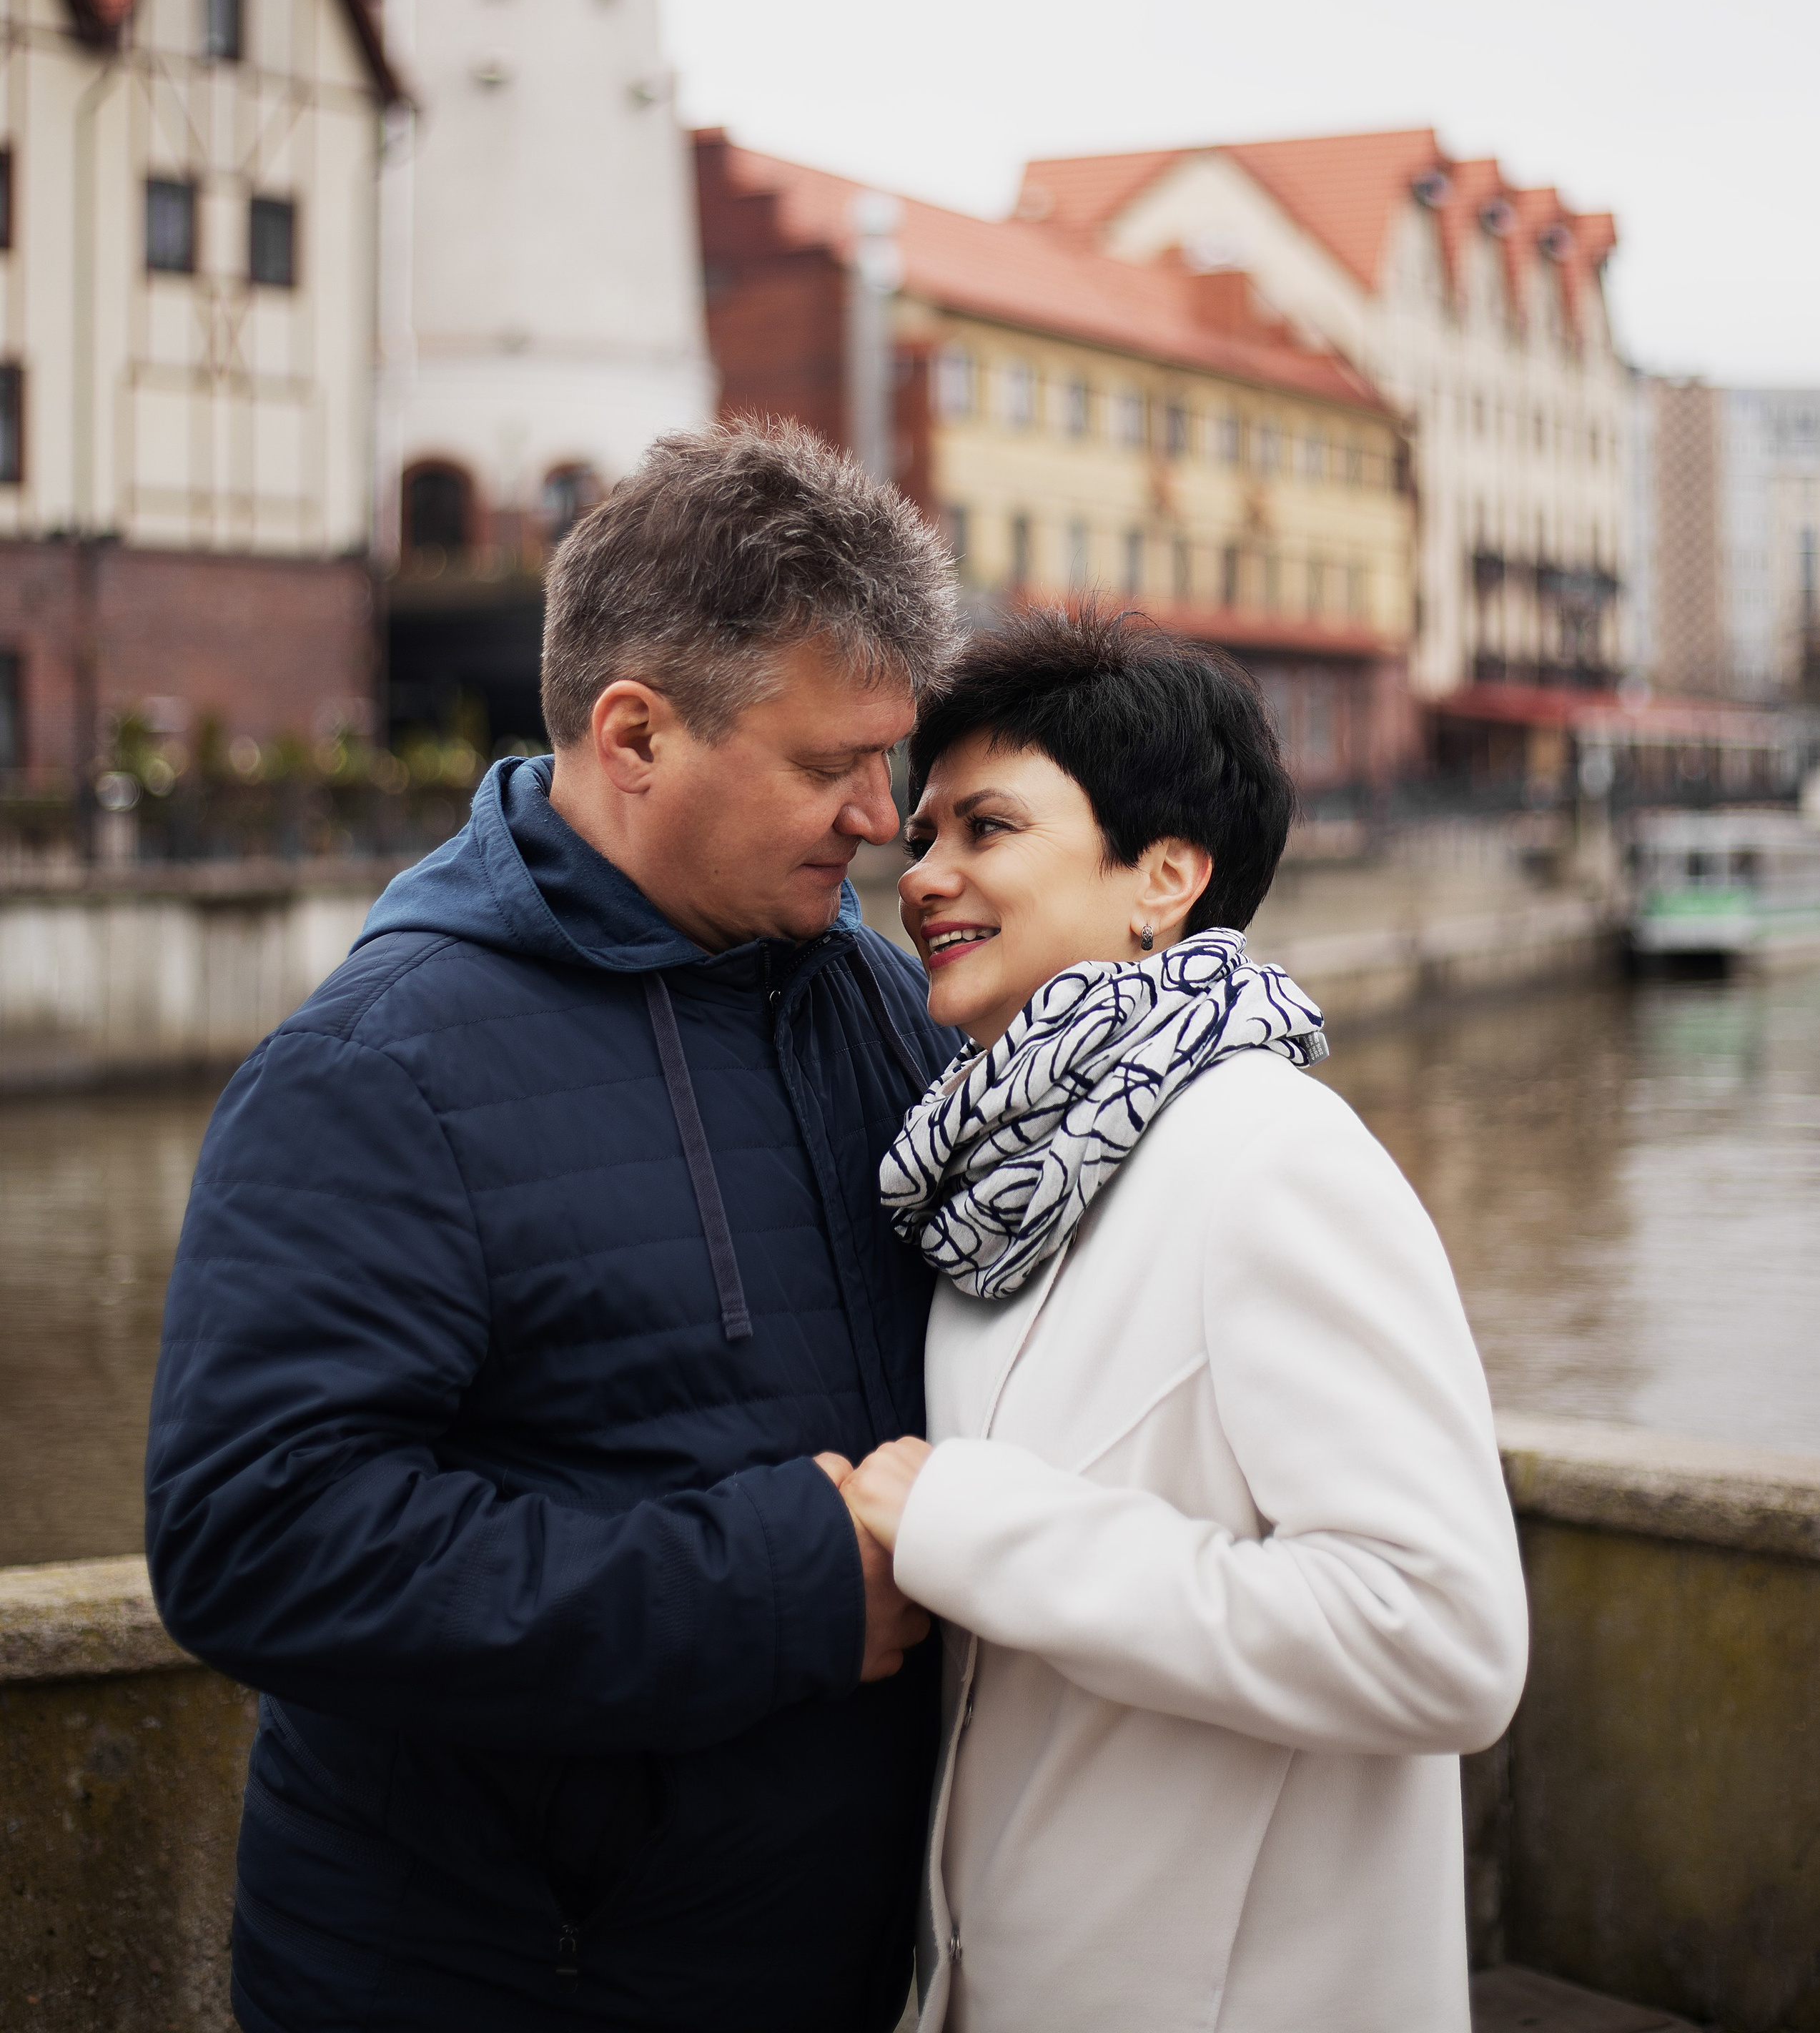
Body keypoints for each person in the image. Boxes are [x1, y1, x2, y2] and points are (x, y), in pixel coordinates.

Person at [145, 422, 964, 2033]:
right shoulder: (376, 1068)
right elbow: (256, 1543)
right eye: (825, 766)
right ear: (635, 734)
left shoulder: (867, 986)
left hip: (818, 1951)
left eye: (892, 758)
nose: (882, 816)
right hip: (521, 1976)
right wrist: (782, 1584)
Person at [839, 603, 1529, 2033]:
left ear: (1164, 873)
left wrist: (973, 1529)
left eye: (985, 829)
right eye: (920, 837)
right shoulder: (999, 1181)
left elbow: (1442, 1636)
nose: (923, 876)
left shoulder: (1270, 1154)